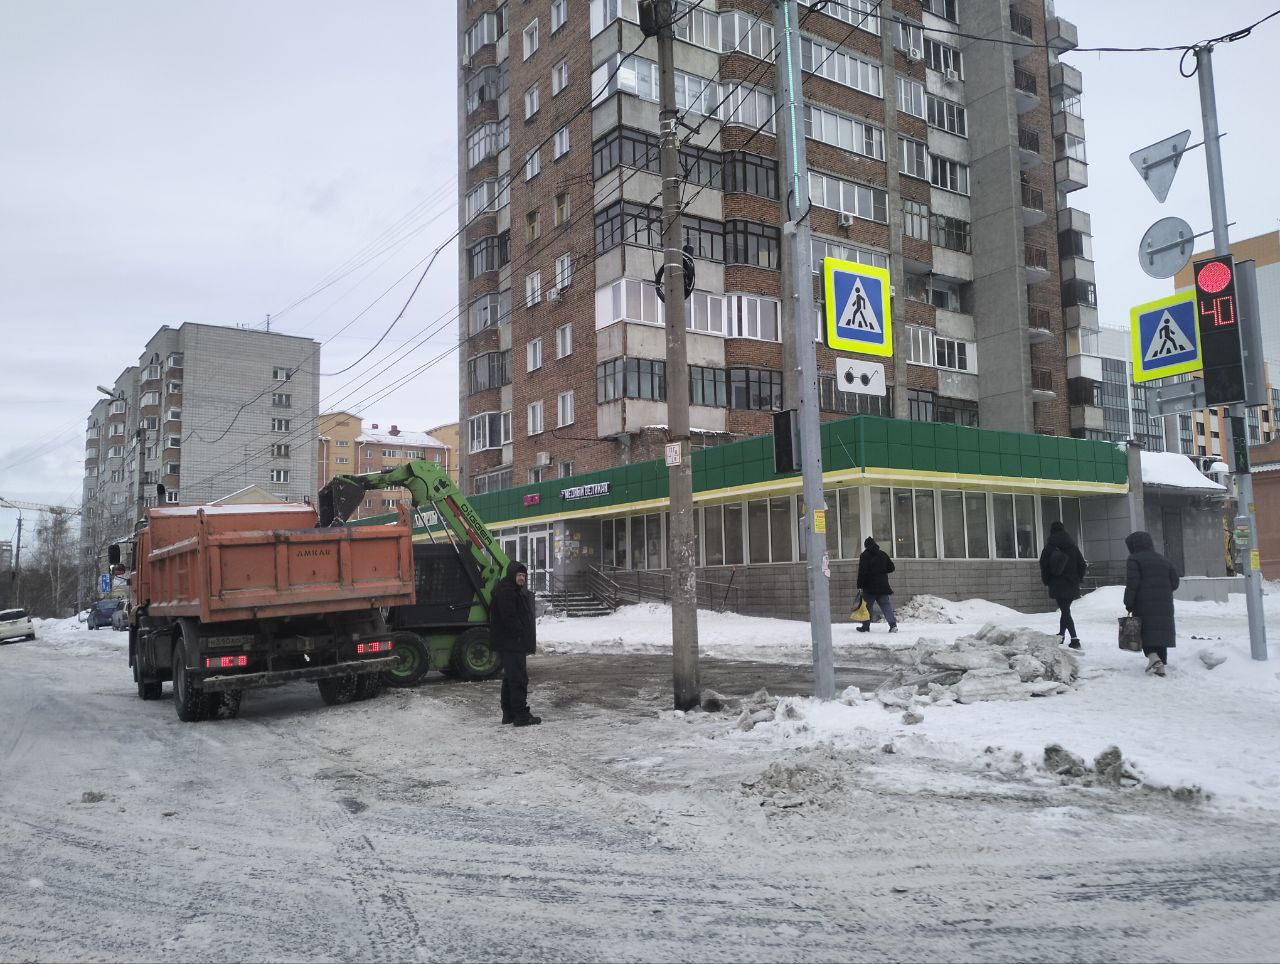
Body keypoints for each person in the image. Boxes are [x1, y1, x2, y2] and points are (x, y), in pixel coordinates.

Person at [489, 560, 541, 725]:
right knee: (518, 678)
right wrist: (519, 634)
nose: (522, 578)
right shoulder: (507, 591)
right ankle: (521, 715)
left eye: (524, 576)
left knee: (510, 678)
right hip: (512, 643)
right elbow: (509, 617)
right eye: (519, 575)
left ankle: (509, 713)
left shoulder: (512, 589)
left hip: (511, 643)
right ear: (512, 575)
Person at [1123, 531, 1180, 677]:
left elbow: (1132, 584)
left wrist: (1128, 602)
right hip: (1165, 603)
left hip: (1143, 603)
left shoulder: (1134, 559)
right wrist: (1163, 591)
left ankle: (1154, 659)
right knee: (1160, 633)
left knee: (1146, 633)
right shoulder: (1163, 559)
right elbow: (1175, 582)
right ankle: (1161, 664)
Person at [1039, 521, 1088, 649]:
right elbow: (1082, 565)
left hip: (1057, 583)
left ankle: (1075, 639)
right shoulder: (1073, 547)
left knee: (1065, 610)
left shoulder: (1049, 547)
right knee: (1065, 609)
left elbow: (1044, 566)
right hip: (1072, 583)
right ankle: (1061, 635)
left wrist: (1047, 580)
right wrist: (1078, 578)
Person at [856, 537, 898, 634]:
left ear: (866, 545)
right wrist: (882, 571)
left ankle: (866, 627)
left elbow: (862, 572)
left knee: (867, 607)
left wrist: (860, 585)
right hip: (883, 586)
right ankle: (893, 626)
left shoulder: (864, 555)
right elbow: (891, 568)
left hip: (869, 587)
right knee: (886, 606)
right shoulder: (883, 554)